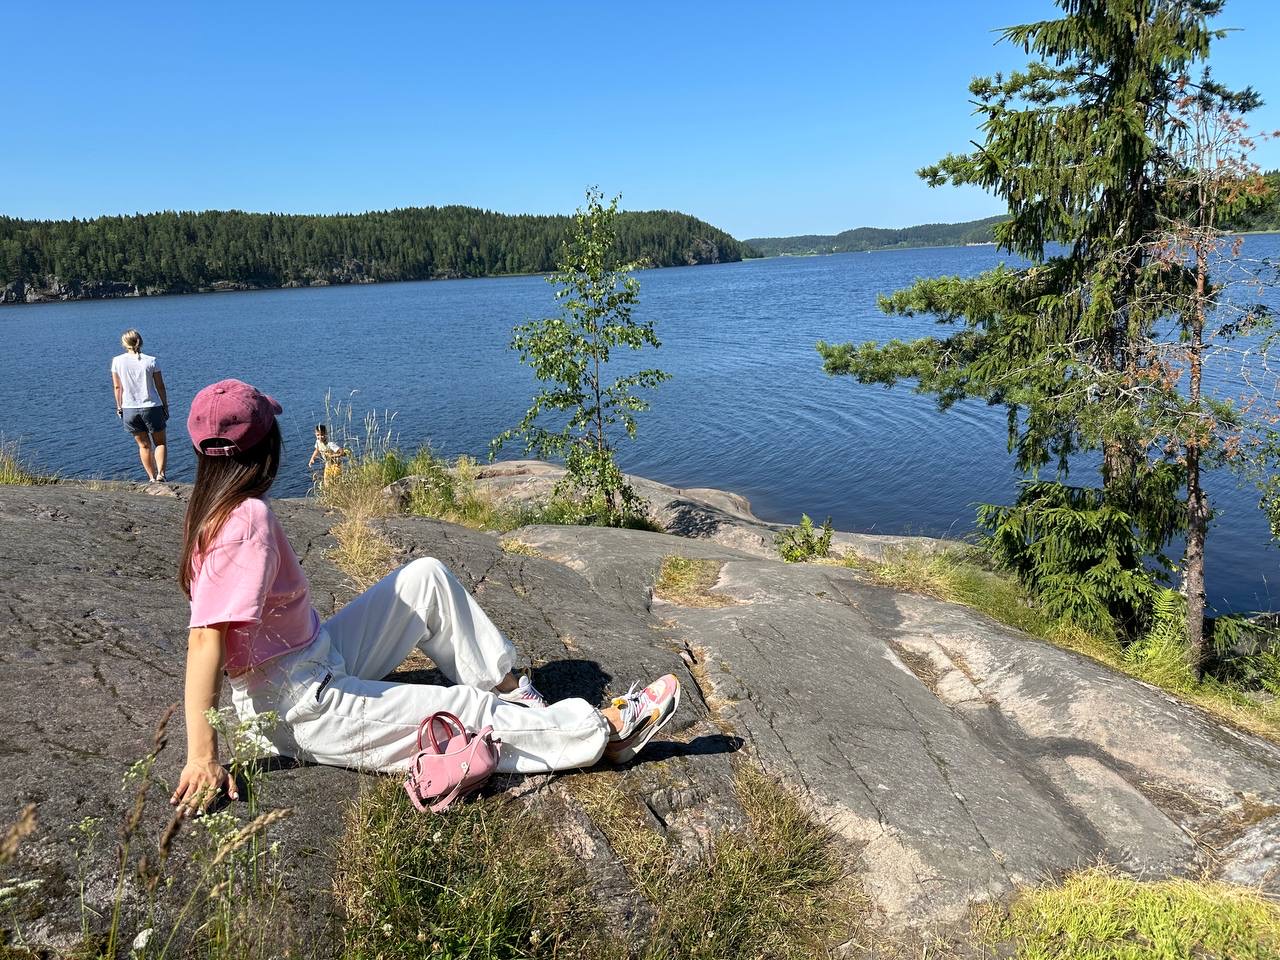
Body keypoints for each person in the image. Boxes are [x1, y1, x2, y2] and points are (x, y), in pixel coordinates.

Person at [170, 379, 679, 814]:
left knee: (424, 579)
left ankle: (512, 692)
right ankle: (602, 733)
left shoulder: (216, 509)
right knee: (463, 711)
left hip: (313, 659)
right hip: (303, 707)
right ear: (267, 448)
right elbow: (204, 638)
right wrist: (202, 754)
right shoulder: (246, 520)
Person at [110, 329, 170, 482]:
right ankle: (161, 475)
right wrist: (165, 406)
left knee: (143, 446)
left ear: (124, 344)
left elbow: (117, 387)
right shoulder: (151, 361)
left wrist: (119, 407)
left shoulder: (117, 361)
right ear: (140, 341)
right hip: (152, 407)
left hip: (129, 408)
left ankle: (151, 478)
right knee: (160, 443)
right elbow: (160, 386)